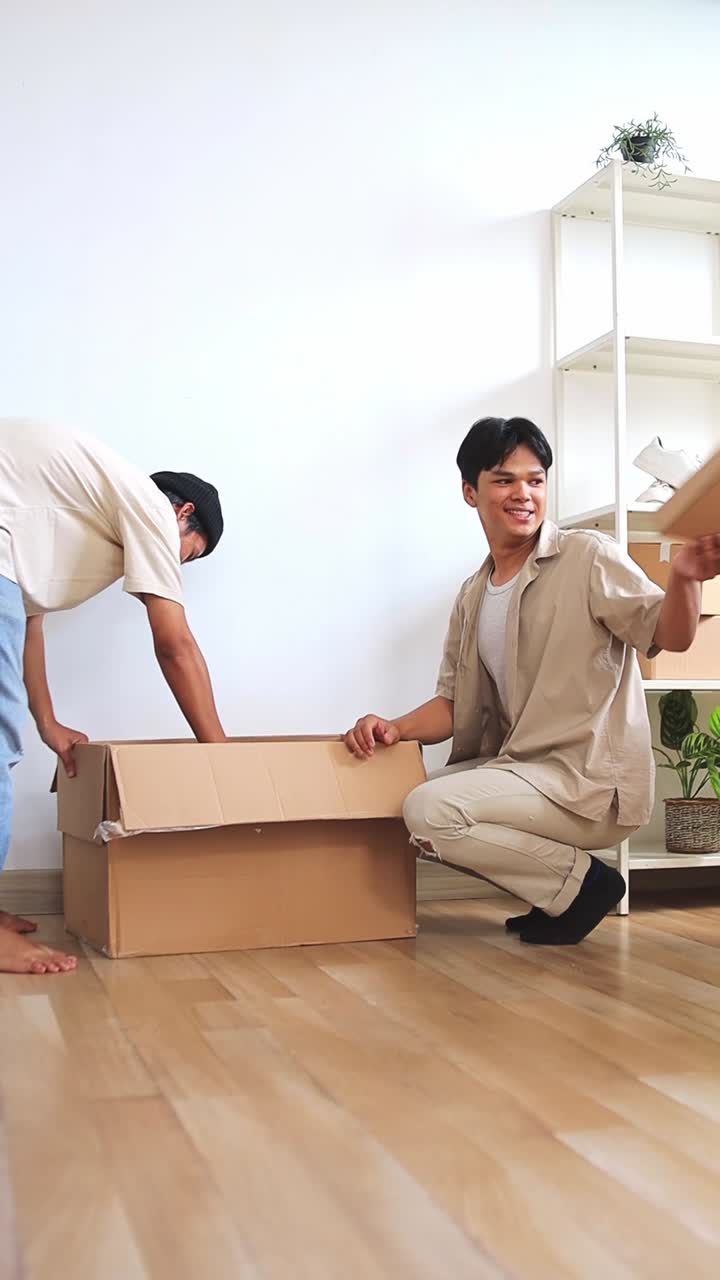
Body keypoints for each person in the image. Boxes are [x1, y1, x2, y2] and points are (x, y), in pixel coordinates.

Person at [345, 416, 720, 945]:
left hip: (589, 781)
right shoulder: (473, 594)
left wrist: (684, 577)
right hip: (525, 770)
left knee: (430, 811)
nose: (523, 494)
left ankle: (582, 887)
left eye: (535, 480)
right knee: (405, 802)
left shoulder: (587, 556)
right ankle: (560, 895)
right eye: (504, 480)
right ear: (470, 492)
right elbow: (453, 703)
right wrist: (394, 727)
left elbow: (670, 635)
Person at [0, 419, 227, 974]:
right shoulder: (150, 508)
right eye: (188, 555)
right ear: (183, 514)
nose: (176, 566)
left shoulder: (66, 519)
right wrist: (223, 758)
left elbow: (28, 618)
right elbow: (174, 645)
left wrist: (47, 721)